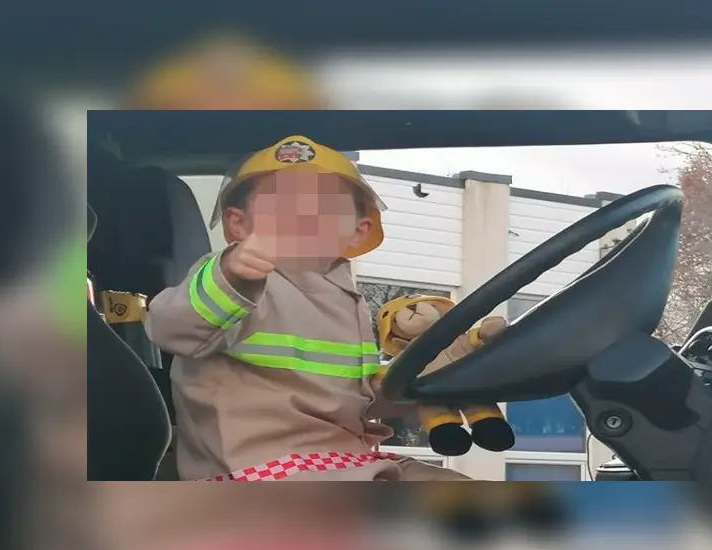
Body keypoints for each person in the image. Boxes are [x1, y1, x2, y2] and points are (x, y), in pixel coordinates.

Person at [145, 135, 472, 481]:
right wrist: (230, 274)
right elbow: (171, 328)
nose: (304, 214)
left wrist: (429, 385)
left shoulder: (344, 295)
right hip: (257, 468)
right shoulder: (231, 280)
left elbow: (347, 398)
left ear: (358, 231)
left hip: (340, 460)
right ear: (239, 225)